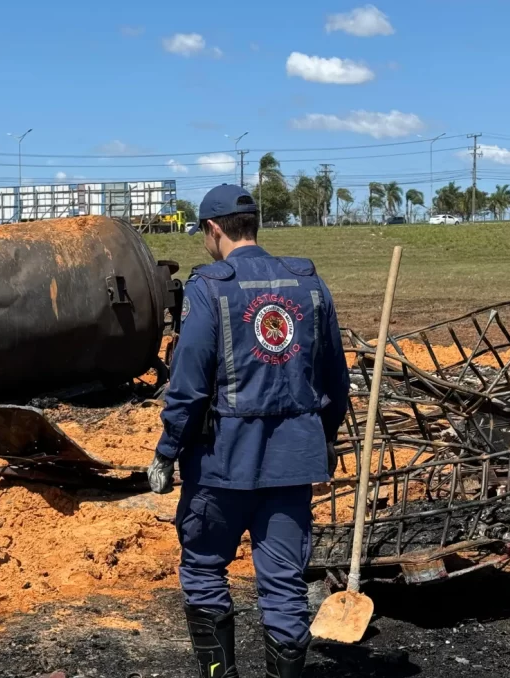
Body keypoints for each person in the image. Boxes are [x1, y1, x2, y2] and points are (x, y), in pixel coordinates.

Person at [147, 184, 350, 678]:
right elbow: (334, 379)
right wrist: (322, 436)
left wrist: (167, 451)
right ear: (254, 225)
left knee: (203, 569)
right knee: (283, 583)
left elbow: (189, 385)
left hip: (221, 465)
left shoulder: (207, 288)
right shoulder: (309, 283)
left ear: (213, 230)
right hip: (291, 463)